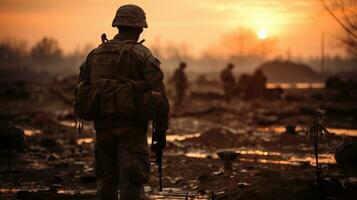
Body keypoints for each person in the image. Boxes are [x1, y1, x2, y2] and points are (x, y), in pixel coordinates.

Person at [79, 4, 169, 200]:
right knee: (132, 183)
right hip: (132, 129)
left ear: (117, 25)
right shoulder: (142, 53)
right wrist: (161, 131)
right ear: (138, 28)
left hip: (102, 128)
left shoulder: (95, 54)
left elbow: (83, 88)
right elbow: (159, 96)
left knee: (106, 183)